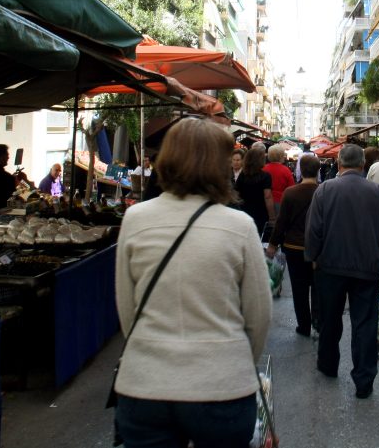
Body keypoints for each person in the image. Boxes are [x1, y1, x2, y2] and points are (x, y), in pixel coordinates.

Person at [114, 117, 271, 448]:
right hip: (222, 384)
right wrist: (236, 359)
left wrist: (150, 348)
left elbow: (127, 309)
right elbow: (258, 317)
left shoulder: (135, 218)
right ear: (221, 165)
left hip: (145, 383)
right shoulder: (240, 226)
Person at [306, 144, 379, 399]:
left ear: (338, 164)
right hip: (367, 268)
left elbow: (314, 229)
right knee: (364, 323)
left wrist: (312, 256)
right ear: (363, 165)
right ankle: (364, 380)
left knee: (330, 319)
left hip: (330, 267)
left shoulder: (324, 190)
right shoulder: (377, 192)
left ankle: (327, 365)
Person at [267, 153, 321, 337]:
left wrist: (273, 245)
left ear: (300, 170)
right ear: (318, 170)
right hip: (318, 249)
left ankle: (303, 325)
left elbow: (281, 222)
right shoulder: (324, 191)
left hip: (294, 247)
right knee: (317, 286)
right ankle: (316, 321)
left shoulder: (290, 193)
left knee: (299, 288)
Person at [234, 145, 275, 238]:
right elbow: (267, 196)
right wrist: (272, 217)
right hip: (260, 212)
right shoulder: (265, 176)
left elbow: (236, 193)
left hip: (244, 211)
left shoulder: (242, 175)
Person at [263, 144, 295, 215]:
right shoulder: (286, 170)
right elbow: (291, 188)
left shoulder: (263, 169)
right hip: (281, 201)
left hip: (264, 202)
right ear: (281, 156)